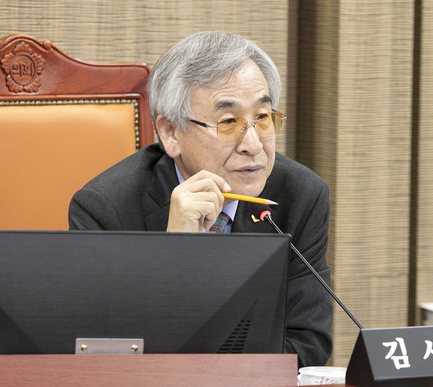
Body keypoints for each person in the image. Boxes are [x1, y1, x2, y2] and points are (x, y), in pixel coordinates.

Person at [68, 31, 332, 367]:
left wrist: (223, 379)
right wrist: (175, 256)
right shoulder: (106, 208)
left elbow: (308, 343)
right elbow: (103, 353)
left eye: (262, 117)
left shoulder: (301, 195)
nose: (253, 144)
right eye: (228, 122)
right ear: (171, 133)